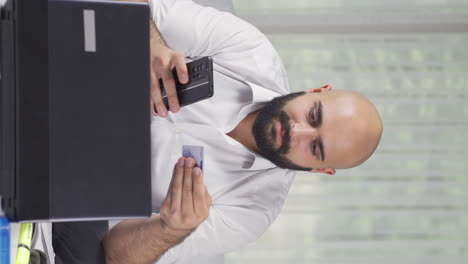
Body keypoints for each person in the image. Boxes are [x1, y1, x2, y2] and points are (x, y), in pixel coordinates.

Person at [99, 0, 384, 263]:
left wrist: (169, 229)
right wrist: (149, 40)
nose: (297, 131)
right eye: (313, 114)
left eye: (315, 148)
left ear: (320, 170)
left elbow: (114, 255)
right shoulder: (249, 49)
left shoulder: (250, 214)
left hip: (75, 184)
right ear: (315, 91)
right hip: (75, 69)